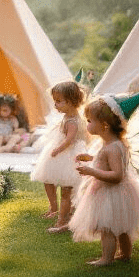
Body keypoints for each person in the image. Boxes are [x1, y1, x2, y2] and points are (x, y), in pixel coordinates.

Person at [70, 92, 139, 266]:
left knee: (108, 228)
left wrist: (91, 171)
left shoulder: (112, 148)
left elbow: (117, 176)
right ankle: (125, 254)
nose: (87, 124)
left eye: (90, 121)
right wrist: (91, 158)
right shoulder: (114, 144)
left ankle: (106, 259)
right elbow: (105, 161)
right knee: (122, 226)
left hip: (110, 193)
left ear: (104, 125)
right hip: (120, 193)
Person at [31, 80, 89, 232]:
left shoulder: (72, 121)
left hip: (68, 155)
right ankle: (54, 208)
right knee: (47, 179)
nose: (55, 105)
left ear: (70, 102)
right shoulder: (68, 116)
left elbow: (69, 140)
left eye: (58, 101)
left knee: (66, 189)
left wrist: (58, 149)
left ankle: (63, 218)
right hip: (61, 152)